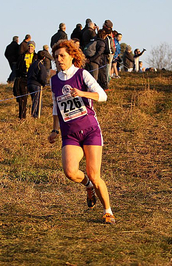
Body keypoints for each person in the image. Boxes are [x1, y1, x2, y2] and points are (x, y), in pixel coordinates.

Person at [48, 39, 115, 224]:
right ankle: (88, 186)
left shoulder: (82, 74)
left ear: (72, 56)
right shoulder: (54, 81)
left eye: (62, 56)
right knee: (70, 171)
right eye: (56, 57)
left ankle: (108, 211)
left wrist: (82, 93)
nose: (59, 59)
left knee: (95, 174)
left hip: (90, 131)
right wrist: (54, 129)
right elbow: (55, 106)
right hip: (70, 134)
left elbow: (103, 96)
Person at [15, 41, 37, 119]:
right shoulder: (22, 56)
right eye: (29, 46)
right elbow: (18, 67)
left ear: (34, 48)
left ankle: (35, 116)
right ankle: (22, 116)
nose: (30, 48)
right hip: (23, 78)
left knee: (35, 98)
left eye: (32, 46)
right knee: (23, 99)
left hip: (33, 79)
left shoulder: (36, 57)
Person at [27, 50, 47, 118]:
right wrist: (44, 83)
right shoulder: (40, 65)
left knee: (34, 99)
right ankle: (35, 115)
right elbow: (42, 76)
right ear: (44, 57)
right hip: (37, 84)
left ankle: (34, 114)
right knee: (37, 100)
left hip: (29, 83)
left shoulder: (32, 64)